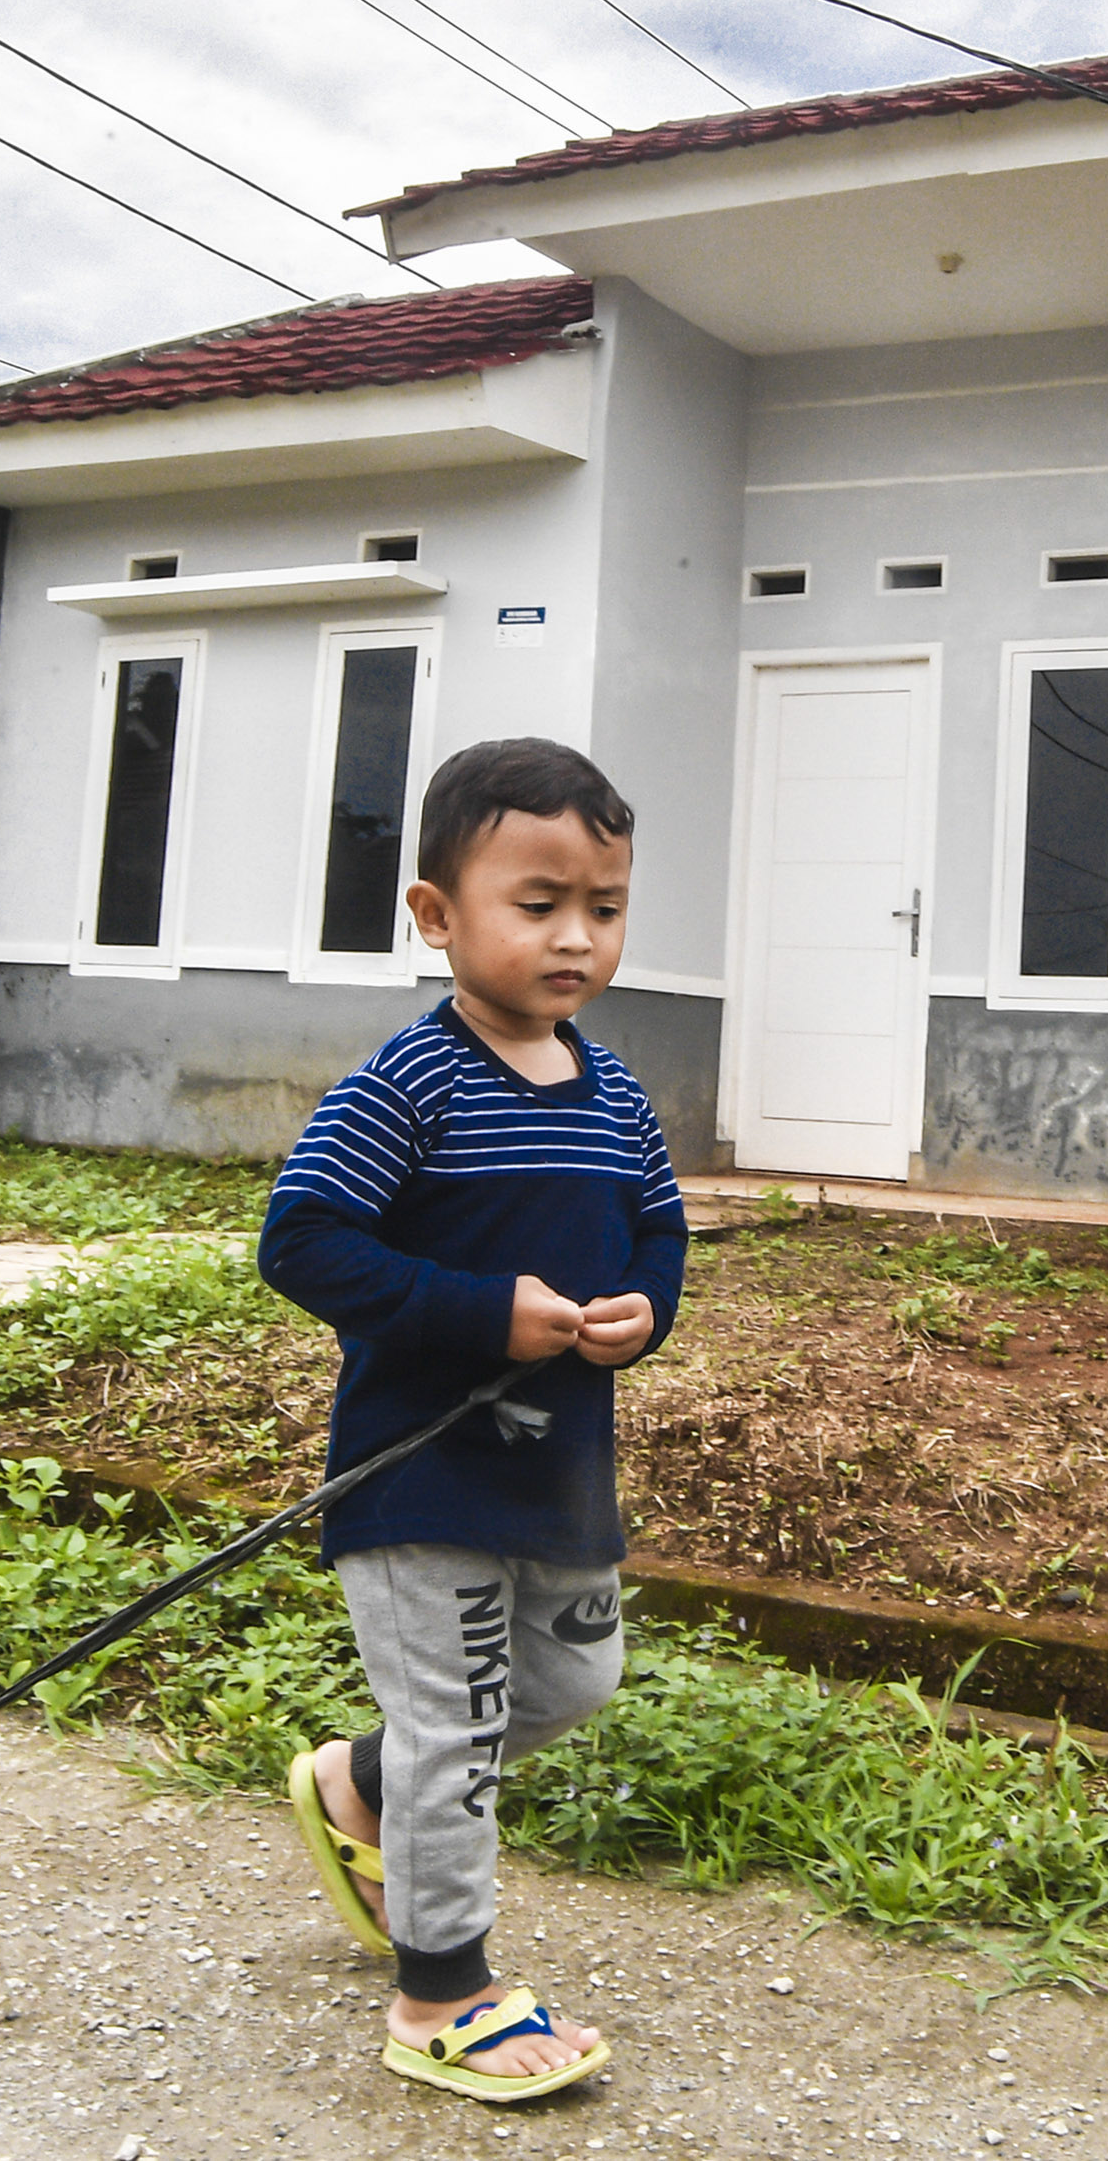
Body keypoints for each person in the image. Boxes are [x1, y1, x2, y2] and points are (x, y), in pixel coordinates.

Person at [260, 736, 683, 2107]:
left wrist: (648, 1311)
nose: (576, 938)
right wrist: (479, 1311)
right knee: (457, 1727)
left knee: (570, 1686)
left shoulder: (616, 1095)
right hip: (420, 1473)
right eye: (538, 903)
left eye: (604, 908)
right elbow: (304, 1241)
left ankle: (361, 1785)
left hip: (560, 1473)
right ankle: (440, 1993)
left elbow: (660, 1231)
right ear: (438, 917)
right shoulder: (411, 1083)